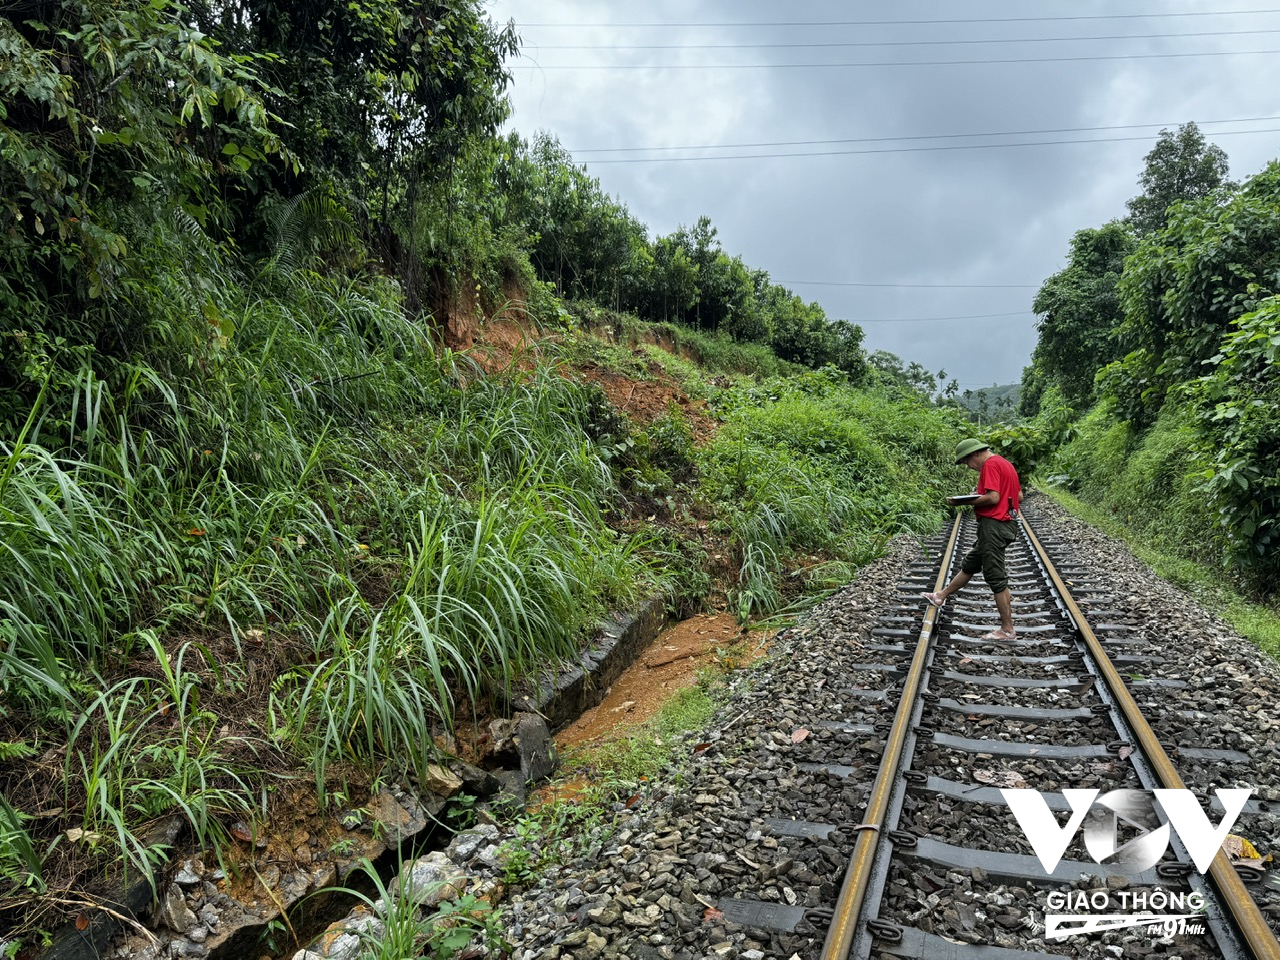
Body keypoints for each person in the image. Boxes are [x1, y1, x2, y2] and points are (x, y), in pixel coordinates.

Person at [922, 438, 1022, 640]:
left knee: (995, 575)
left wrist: (965, 500)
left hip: (994, 525)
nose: (969, 467)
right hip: (1005, 523)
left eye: (967, 462)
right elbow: (1018, 496)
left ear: (974, 454)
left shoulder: (990, 465)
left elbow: (993, 498)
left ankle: (1007, 629)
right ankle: (940, 596)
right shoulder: (1005, 464)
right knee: (971, 563)